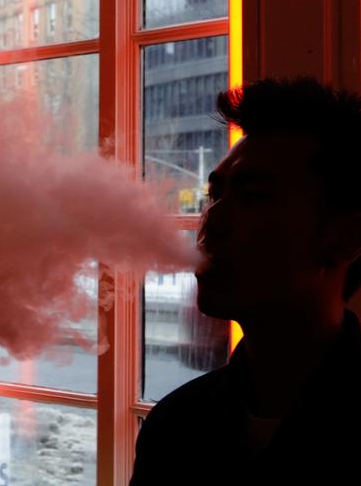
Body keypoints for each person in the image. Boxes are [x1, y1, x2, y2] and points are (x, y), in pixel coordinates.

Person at [130, 77, 361, 482]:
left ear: (344, 238)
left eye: (253, 196)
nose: (211, 222)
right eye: (213, 196)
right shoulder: (175, 424)